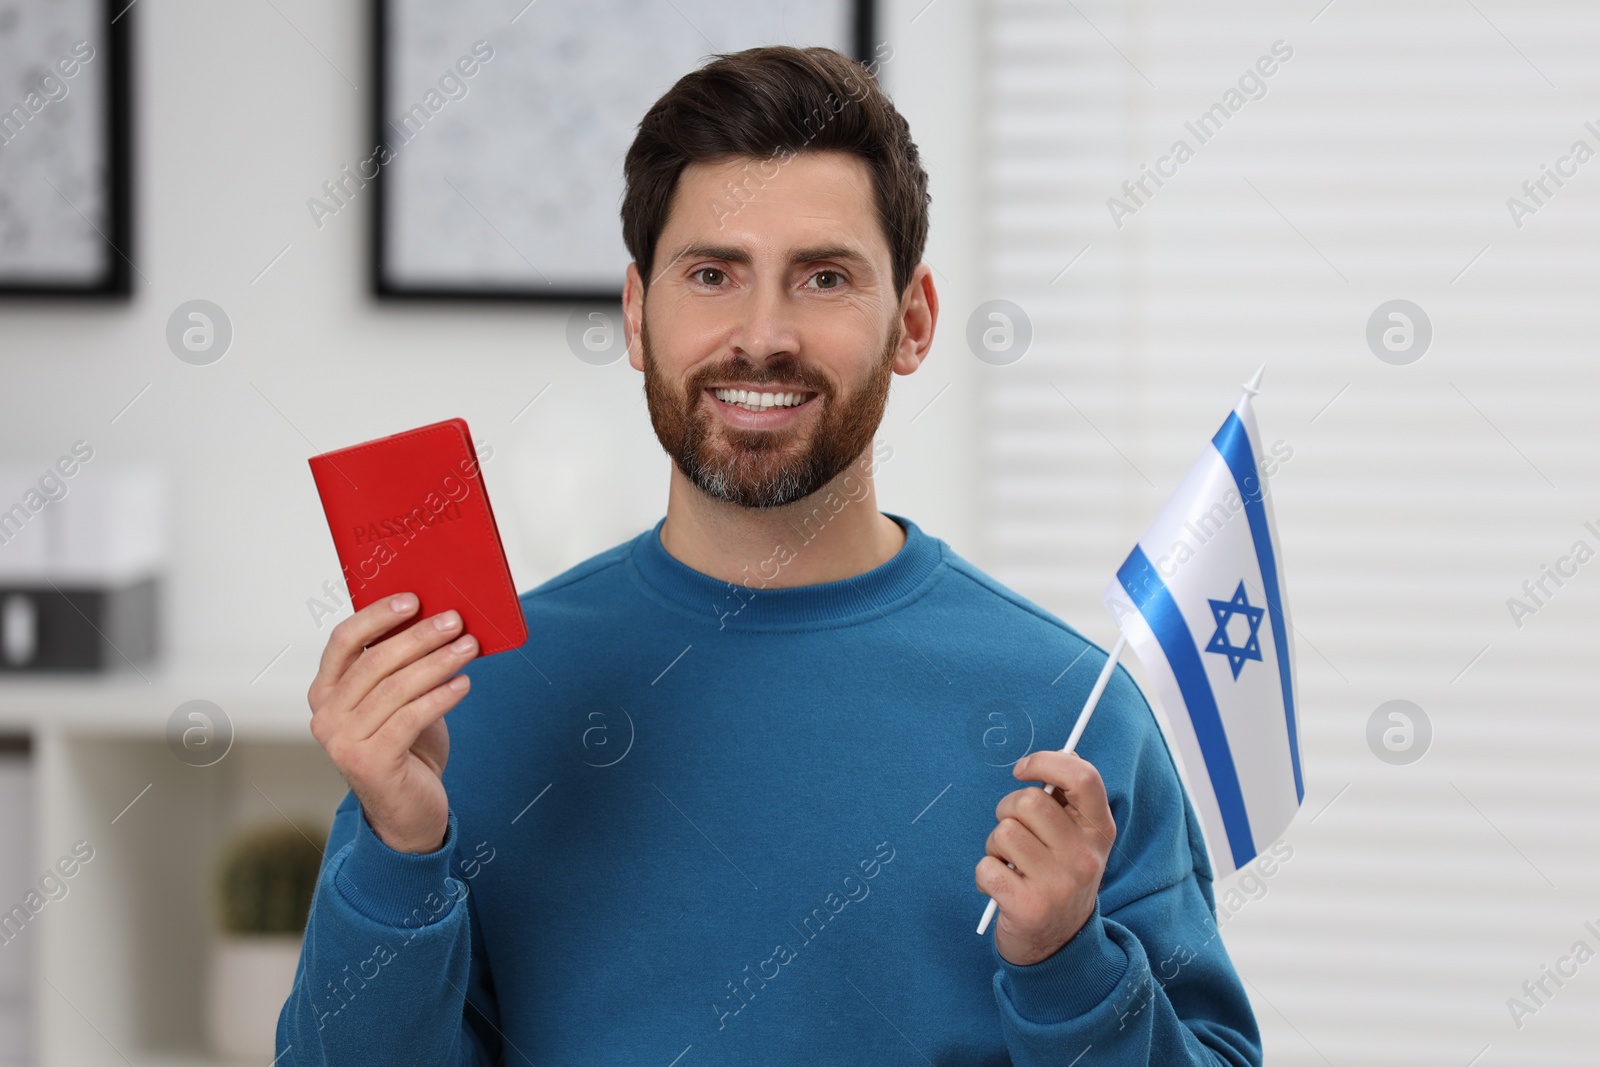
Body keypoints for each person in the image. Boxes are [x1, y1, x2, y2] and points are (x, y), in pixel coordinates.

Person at [276, 44, 1262, 1066]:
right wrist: (397, 848)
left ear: (911, 320)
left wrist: (1067, 963)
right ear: (636, 315)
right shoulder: (471, 692)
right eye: (712, 274)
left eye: (823, 277)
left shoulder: (1073, 712)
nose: (763, 334)